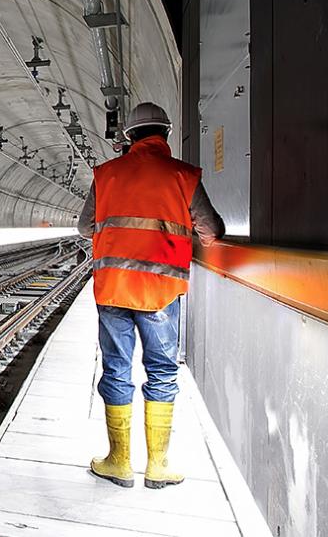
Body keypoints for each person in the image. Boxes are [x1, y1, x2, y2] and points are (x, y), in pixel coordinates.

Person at [78, 102, 224, 489]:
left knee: (116, 368)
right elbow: (211, 230)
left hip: (113, 288)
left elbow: (84, 228)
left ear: (129, 136)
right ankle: (157, 465)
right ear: (166, 133)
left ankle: (118, 461)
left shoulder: (106, 175)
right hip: (161, 291)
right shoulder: (183, 176)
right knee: (161, 370)